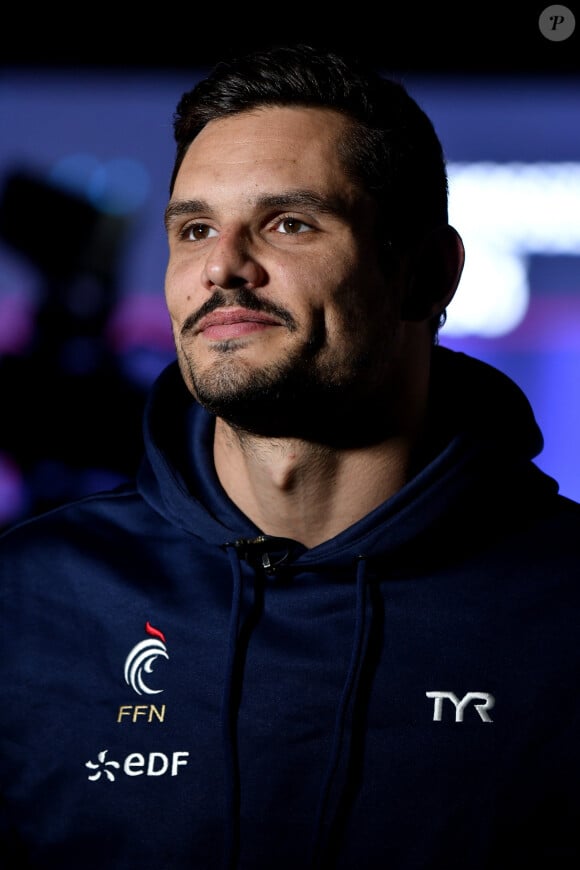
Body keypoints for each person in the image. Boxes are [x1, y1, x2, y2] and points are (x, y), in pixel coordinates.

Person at [1, 42, 579, 870]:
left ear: (425, 274)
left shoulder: (562, 606)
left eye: (289, 223)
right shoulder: (28, 599)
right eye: (195, 228)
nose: (223, 266)